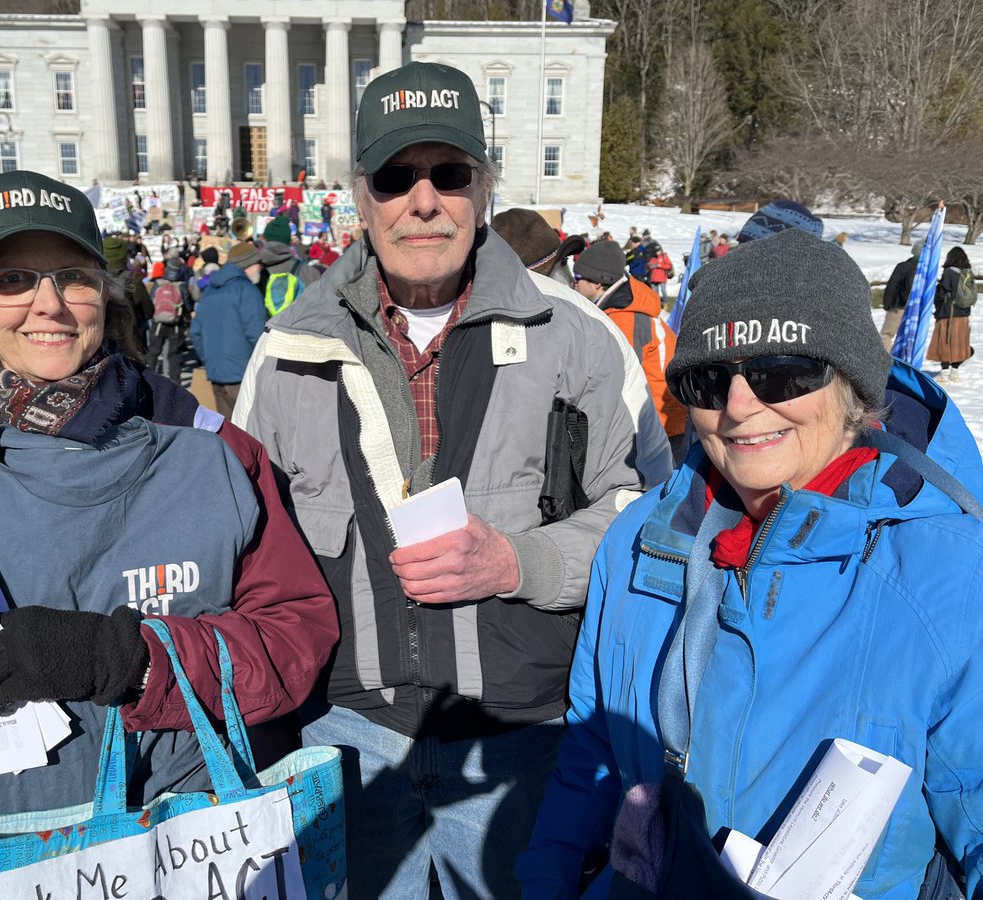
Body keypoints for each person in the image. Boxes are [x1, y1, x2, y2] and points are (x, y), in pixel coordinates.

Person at [0, 170, 338, 900]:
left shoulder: (214, 456)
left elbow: (294, 643)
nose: (48, 305)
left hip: (173, 859)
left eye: (72, 277)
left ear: (104, 297)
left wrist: (130, 659)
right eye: (13, 279)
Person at [234, 61, 650, 899]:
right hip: (342, 742)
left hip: (519, 739)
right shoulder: (286, 350)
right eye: (396, 176)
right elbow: (247, 551)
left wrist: (521, 563)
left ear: (484, 188)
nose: (423, 201)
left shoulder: (576, 336)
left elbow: (647, 519)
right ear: (361, 196)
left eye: (448, 174)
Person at [521, 228, 983, 898]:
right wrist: (548, 878)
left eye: (780, 373)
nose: (739, 408)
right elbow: (590, 751)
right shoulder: (634, 544)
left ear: (850, 383)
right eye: (709, 381)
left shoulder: (946, 577)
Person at [489, 210, 673, 484]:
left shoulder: (602, 322)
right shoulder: (508, 330)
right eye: (561, 263)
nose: (570, 275)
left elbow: (618, 399)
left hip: (658, 424)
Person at [573, 240, 688, 464]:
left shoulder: (625, 318)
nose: (573, 284)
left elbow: (617, 378)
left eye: (578, 279)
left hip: (662, 420)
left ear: (598, 284)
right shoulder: (620, 310)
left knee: (657, 492)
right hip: (657, 417)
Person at [191, 241, 267, 417]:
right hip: (243, 375)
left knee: (229, 434)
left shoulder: (209, 291)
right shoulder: (247, 290)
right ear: (248, 264)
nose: (261, 268)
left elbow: (196, 333)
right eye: (258, 263)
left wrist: (210, 359)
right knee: (249, 433)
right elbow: (256, 335)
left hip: (216, 373)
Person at [927, 246, 976, 382]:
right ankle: (955, 372)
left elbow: (942, 293)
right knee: (960, 343)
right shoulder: (967, 273)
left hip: (949, 315)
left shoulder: (949, 272)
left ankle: (944, 373)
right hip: (964, 315)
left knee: (945, 342)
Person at [881, 240, 922, 351]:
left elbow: (892, 286)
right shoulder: (925, 270)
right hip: (916, 309)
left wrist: (887, 304)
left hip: (898, 307)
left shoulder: (903, 267)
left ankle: (885, 361)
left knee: (887, 334)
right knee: (908, 337)